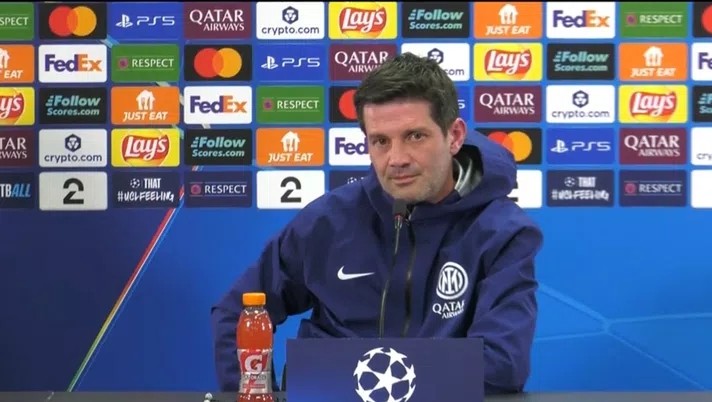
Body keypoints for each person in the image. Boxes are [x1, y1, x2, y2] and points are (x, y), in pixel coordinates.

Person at [211, 52, 543, 395]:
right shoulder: (327, 219)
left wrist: (353, 375)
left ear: (455, 136)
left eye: (415, 136)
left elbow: (502, 364)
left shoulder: (503, 232)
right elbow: (239, 311)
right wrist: (257, 394)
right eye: (381, 141)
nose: (397, 159)